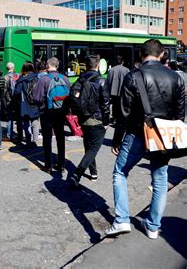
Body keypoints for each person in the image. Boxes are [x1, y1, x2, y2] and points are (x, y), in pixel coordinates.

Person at [105, 39, 185, 239]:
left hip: (137, 134)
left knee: (120, 173)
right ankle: (152, 226)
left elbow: (123, 114)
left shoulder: (134, 76)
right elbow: (181, 114)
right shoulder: (176, 78)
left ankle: (122, 220)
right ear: (161, 55)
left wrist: (116, 140)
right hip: (163, 137)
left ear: (142, 55)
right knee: (160, 179)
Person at [69, 55, 110, 187]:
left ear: (85, 66)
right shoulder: (101, 81)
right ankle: (77, 174)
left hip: (83, 119)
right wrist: (106, 121)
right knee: (93, 149)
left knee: (88, 147)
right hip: (96, 119)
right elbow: (105, 104)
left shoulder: (80, 80)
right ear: (98, 66)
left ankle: (93, 172)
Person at [33, 57, 70, 173]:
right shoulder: (65, 78)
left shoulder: (43, 80)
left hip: (47, 112)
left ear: (48, 66)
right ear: (57, 66)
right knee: (60, 137)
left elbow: (37, 98)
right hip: (61, 111)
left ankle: (48, 165)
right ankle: (61, 164)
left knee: (47, 138)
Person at [14, 62, 40, 148]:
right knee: (35, 122)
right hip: (35, 102)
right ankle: (35, 141)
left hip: (24, 103)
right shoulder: (37, 77)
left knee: (26, 123)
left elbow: (17, 92)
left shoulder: (21, 79)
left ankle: (28, 141)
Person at [107, 55, 129, 125]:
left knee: (114, 106)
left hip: (113, 92)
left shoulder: (111, 70)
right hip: (123, 92)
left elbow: (108, 82)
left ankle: (114, 118)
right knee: (122, 106)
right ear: (122, 62)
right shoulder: (126, 70)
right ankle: (121, 119)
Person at [3, 62, 21, 142]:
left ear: (7, 68)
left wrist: (7, 99)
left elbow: (5, 90)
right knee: (19, 117)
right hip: (18, 99)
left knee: (9, 117)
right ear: (13, 67)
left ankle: (9, 135)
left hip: (9, 100)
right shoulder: (18, 75)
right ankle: (20, 135)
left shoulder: (6, 77)